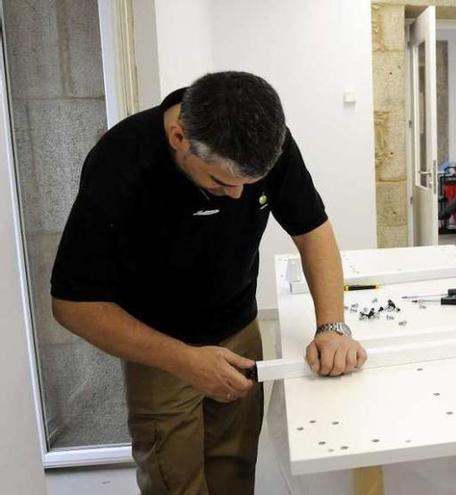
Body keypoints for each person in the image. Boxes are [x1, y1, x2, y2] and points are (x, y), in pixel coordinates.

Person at [50, 71, 366, 494]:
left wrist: (332, 326)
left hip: (239, 328)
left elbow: (313, 231)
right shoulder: (121, 162)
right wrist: (186, 360)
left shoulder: (268, 144)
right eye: (220, 182)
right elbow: (72, 304)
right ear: (179, 137)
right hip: (159, 351)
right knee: (174, 481)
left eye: (249, 186)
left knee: (235, 471)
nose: (238, 197)